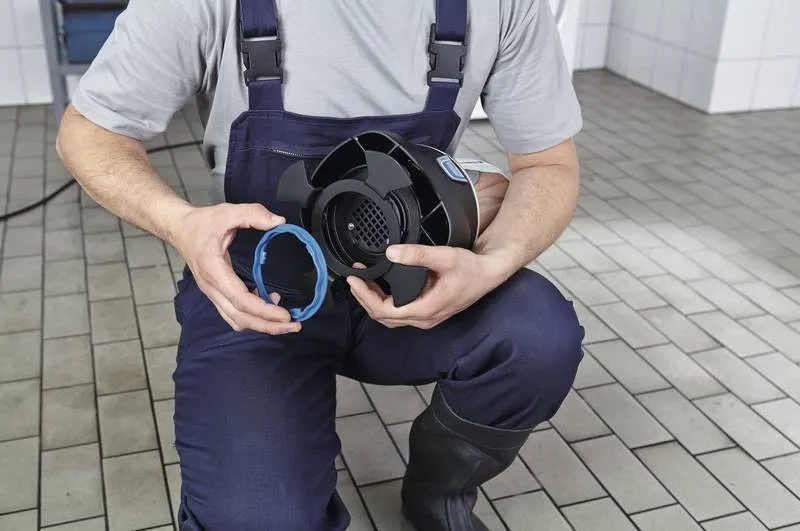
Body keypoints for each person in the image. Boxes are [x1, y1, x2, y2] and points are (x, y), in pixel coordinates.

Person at [56, 0, 586, 528]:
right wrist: (181, 224)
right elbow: (89, 131)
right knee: (257, 519)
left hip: (409, 278)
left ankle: (439, 490)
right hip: (258, 292)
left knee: (537, 337)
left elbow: (547, 163)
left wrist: (491, 264)